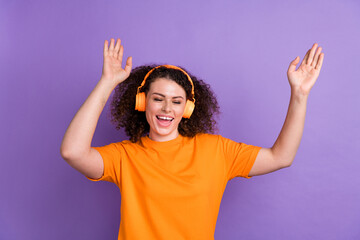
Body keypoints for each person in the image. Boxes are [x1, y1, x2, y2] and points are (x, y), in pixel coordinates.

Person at [60, 38, 324, 240]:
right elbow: (72, 152)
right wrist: (107, 82)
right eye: (158, 99)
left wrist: (299, 95)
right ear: (142, 103)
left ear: (187, 109)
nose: (166, 109)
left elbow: (282, 157)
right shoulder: (125, 156)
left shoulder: (216, 150)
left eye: (176, 102)